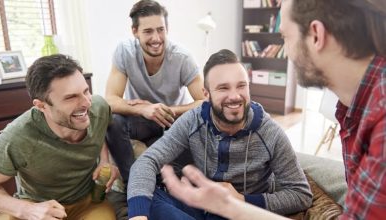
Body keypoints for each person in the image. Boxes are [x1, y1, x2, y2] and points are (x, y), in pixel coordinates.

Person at [161, 0, 386, 219]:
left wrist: (237, 205)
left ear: (316, 35)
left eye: (285, 37)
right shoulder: (355, 110)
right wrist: (232, 205)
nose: (286, 52)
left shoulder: (381, 128)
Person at [127, 49, 312, 220]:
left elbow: (301, 194)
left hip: (241, 212)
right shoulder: (193, 120)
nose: (235, 96)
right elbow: (147, 161)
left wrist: (241, 199)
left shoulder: (270, 132)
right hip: (201, 207)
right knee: (146, 200)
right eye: (223, 88)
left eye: (241, 86)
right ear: (206, 94)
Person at [0, 54, 119, 219]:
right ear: (41, 106)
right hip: (36, 206)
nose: (86, 103)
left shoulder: (99, 108)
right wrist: (26, 210)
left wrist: (105, 161)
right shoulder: (16, 137)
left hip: (88, 204)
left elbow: (100, 130)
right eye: (71, 97)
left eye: (85, 91)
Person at [105, 0, 205, 188]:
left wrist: (170, 110)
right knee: (113, 120)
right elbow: (109, 101)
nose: (156, 38)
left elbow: (204, 101)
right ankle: (132, 185)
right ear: (135, 31)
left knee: (188, 157)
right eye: (148, 31)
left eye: (161, 30)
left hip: (171, 121)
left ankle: (163, 186)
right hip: (141, 120)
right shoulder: (124, 52)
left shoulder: (182, 58)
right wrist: (145, 109)